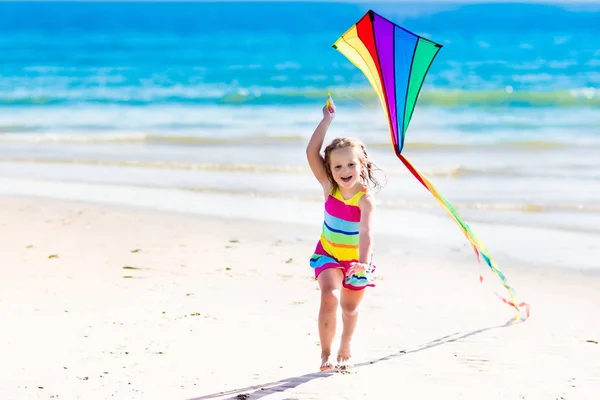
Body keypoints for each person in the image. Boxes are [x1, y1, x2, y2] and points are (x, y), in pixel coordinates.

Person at [305, 95, 382, 372]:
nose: (344, 170)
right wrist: (327, 120)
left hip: (358, 260)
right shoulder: (329, 186)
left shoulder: (365, 198)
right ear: (330, 170)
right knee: (329, 297)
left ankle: (346, 343)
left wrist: (362, 261)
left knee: (349, 309)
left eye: (350, 164)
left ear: (362, 164)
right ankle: (326, 355)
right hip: (329, 253)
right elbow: (311, 153)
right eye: (337, 166)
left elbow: (367, 231)